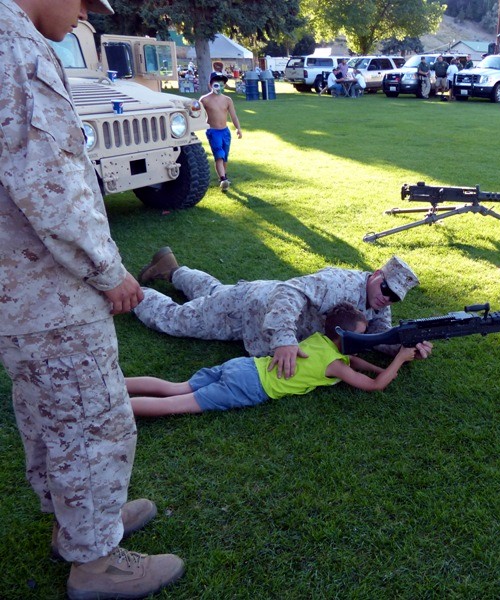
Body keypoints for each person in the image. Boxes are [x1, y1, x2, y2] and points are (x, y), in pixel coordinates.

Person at [0, 0, 186, 598]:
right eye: (82, 0)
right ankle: (96, 560)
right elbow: (46, 184)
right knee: (89, 418)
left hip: (22, 290)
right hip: (48, 290)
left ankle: (78, 523)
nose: (83, 14)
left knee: (51, 414)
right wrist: (109, 272)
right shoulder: (17, 46)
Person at [133, 250, 432, 377]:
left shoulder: (378, 302)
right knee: (175, 320)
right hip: (250, 310)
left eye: (395, 297)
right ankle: (132, 293)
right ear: (376, 273)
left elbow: (376, 336)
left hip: (251, 297)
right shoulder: (340, 283)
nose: (386, 299)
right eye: (385, 289)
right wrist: (285, 339)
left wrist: (404, 347)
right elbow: (290, 291)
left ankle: (172, 269)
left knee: (213, 292)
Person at [128, 303, 417, 417]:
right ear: (345, 338)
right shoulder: (335, 366)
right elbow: (376, 385)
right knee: (172, 406)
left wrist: (377, 364)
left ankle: (118, 384)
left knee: (174, 387)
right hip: (250, 386)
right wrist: (400, 359)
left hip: (244, 365)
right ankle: (113, 412)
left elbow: (354, 361)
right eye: (362, 336)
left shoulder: (319, 341)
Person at [200, 72, 242, 192]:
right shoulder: (205, 100)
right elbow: (197, 113)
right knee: (219, 156)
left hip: (225, 132)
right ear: (210, 85)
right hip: (213, 132)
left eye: (222, 85)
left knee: (224, 157)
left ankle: (223, 177)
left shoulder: (227, 100)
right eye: (217, 85)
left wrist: (238, 128)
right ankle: (223, 179)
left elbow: (233, 116)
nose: (220, 87)